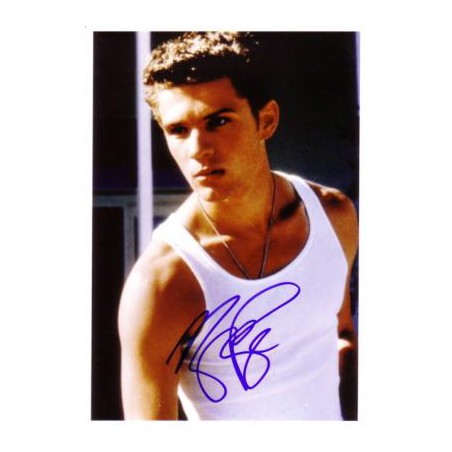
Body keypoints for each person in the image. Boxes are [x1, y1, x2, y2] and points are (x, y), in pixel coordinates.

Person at [118, 32, 358, 420]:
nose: (198, 149)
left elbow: (340, 333)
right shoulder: (163, 283)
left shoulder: (333, 215)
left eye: (218, 121)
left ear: (267, 120)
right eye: (178, 130)